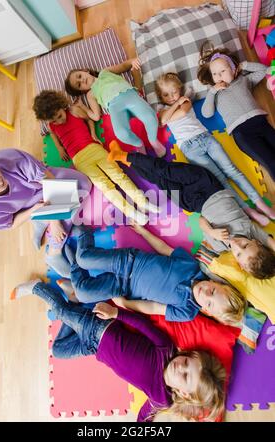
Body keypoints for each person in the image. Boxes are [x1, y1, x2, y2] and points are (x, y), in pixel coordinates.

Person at [10, 278, 226, 422]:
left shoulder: (162, 399)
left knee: (58, 350)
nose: (181, 367)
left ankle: (76, 301)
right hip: (100, 328)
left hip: (94, 349)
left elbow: (145, 415)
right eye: (187, 362)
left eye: (186, 376)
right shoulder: (166, 349)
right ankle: (37, 287)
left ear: (184, 393)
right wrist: (116, 313)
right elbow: (144, 325)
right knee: (59, 310)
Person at [107, 144, 275, 279]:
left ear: (238, 263)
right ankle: (123, 155)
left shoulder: (219, 244)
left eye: (238, 253)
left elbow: (201, 220)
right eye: (245, 245)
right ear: (256, 242)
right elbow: (271, 243)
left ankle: (129, 162)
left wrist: (211, 231)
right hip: (207, 185)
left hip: (192, 204)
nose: (238, 244)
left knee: (160, 181)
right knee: (165, 170)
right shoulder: (251, 231)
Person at [154, 71, 275, 226]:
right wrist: (176, 104)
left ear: (180, 89)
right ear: (160, 96)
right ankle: (248, 211)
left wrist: (178, 105)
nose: (171, 97)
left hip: (206, 138)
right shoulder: (163, 109)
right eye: (166, 95)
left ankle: (260, 204)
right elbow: (163, 120)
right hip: (189, 148)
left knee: (232, 170)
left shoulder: (186, 101)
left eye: (174, 92)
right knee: (220, 180)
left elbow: (183, 112)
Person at [64, 226, 246, 325]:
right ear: (217, 283)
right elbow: (163, 249)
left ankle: (71, 262)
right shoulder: (192, 267)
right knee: (84, 259)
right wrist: (144, 231)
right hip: (128, 261)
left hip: (123, 287)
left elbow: (152, 307)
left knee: (82, 293)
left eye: (208, 303)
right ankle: (84, 231)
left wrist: (126, 304)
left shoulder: (187, 311)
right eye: (213, 291)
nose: (205, 294)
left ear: (207, 311)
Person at [33, 91, 160, 225]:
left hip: (93, 148)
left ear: (61, 106)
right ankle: (131, 213)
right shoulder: (51, 125)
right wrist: (59, 148)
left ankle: (142, 202)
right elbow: (52, 133)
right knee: (105, 186)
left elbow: (88, 119)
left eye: (59, 116)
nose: (60, 121)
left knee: (118, 175)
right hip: (78, 159)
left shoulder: (74, 111)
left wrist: (93, 135)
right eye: (55, 120)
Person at [0, 148, 91, 276]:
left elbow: (50, 180)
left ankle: (42, 221)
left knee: (84, 184)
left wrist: (54, 220)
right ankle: (53, 251)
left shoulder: (11, 159)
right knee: (67, 214)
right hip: (29, 206)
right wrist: (34, 210)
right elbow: (11, 223)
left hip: (44, 184)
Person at [198, 42, 275, 182]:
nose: (219, 76)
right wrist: (212, 92)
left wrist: (243, 65)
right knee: (271, 162)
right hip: (242, 134)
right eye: (215, 74)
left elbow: (264, 70)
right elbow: (206, 113)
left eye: (223, 71)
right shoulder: (215, 94)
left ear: (234, 70)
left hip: (261, 123)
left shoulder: (244, 81)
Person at [64, 58, 166, 157]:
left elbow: (123, 66)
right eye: (79, 84)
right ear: (82, 90)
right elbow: (96, 116)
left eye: (79, 76)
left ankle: (153, 141)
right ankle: (138, 144)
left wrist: (132, 62)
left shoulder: (105, 72)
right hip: (115, 107)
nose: (82, 80)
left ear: (85, 71)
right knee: (121, 134)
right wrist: (83, 106)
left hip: (129, 95)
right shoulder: (90, 94)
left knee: (150, 117)